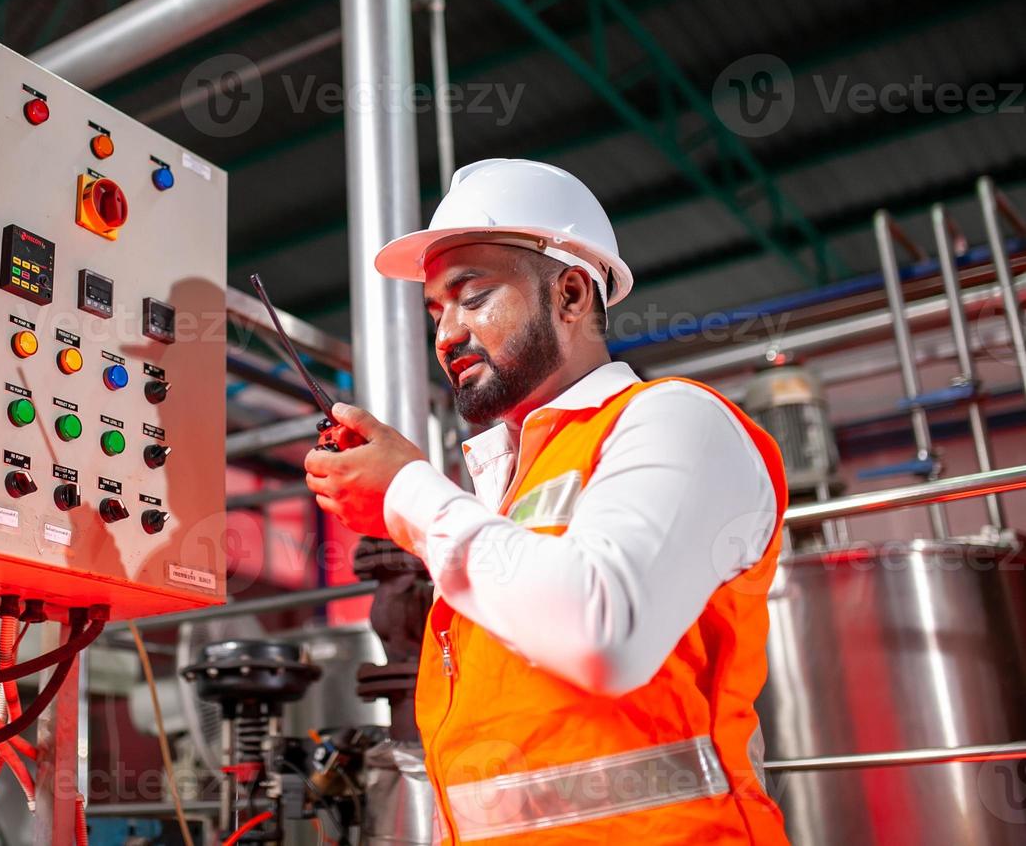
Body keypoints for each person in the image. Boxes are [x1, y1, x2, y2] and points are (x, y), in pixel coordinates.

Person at [304, 159, 791, 844]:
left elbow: (603, 634)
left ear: (569, 294)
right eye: (436, 310)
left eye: (472, 298)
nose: (445, 335)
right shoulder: (503, 493)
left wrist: (409, 491)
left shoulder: (677, 421)